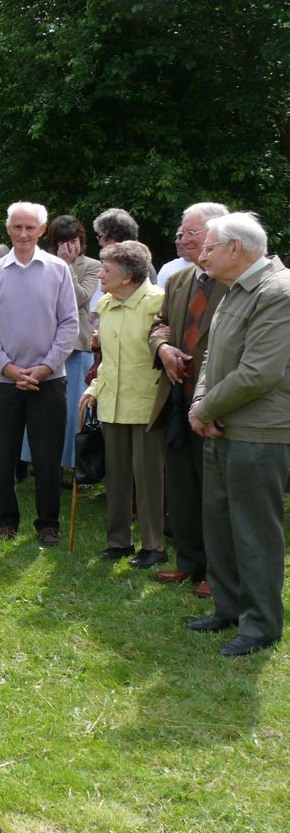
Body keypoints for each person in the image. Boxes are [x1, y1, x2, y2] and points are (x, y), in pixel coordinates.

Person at [186, 212, 290, 656]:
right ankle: (227, 609)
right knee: (221, 523)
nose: (201, 254)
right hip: (221, 425)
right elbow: (211, 359)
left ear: (236, 249)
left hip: (259, 430)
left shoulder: (277, 292)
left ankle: (261, 624)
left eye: (208, 247)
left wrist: (205, 408)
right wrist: (200, 405)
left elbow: (259, 371)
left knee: (254, 531)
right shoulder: (232, 288)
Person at [0, 202, 78, 545]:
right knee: (2, 454)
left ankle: (48, 523)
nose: (23, 234)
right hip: (3, 380)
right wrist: (7, 367)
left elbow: (69, 324)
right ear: (8, 230)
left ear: (41, 231)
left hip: (48, 380)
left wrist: (45, 367)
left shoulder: (58, 270)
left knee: (47, 457)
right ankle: (5, 520)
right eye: (17, 227)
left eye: (30, 228)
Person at [147, 201, 230, 592]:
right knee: (180, 485)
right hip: (176, 396)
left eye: (191, 233)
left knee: (215, 491)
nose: (182, 240)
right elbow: (160, 325)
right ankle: (191, 563)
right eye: (181, 233)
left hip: (217, 402)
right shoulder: (179, 281)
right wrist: (163, 349)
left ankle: (219, 572)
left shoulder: (234, 282)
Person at [78, 242, 167, 567]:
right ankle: (119, 542)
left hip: (146, 404)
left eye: (106, 269)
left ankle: (154, 546)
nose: (100, 274)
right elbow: (107, 359)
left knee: (148, 479)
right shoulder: (106, 303)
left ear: (128, 275)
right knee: (116, 476)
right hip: (112, 403)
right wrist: (95, 387)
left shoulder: (158, 301)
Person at [47, 215, 101, 470]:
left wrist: (67, 266)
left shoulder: (91, 265)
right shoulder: (44, 263)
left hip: (78, 344)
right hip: (46, 342)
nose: (71, 247)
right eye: (64, 242)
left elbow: (81, 297)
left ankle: (72, 462)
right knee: (47, 406)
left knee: (74, 408)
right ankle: (41, 460)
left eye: (75, 241)